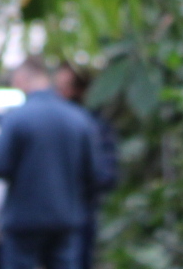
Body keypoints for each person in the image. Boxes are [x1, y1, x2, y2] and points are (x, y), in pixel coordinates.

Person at [0, 58, 106, 269]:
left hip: (24, 219)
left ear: (21, 79)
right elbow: (95, 173)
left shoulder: (15, 118)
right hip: (66, 217)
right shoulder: (79, 118)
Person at [55, 64, 117, 269]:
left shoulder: (94, 126)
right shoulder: (49, 122)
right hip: (46, 216)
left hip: (79, 216)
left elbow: (106, 175)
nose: (60, 92)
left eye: (65, 86)